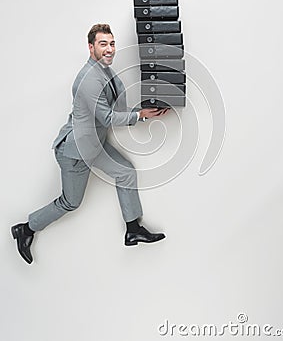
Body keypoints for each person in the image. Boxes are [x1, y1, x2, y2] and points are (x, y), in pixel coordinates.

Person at [11, 23, 169, 264]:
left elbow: (117, 108)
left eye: (112, 43)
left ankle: (133, 230)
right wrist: (141, 116)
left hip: (93, 144)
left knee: (125, 172)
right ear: (90, 47)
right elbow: (106, 117)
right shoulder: (89, 79)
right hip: (75, 151)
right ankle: (26, 228)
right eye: (103, 44)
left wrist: (146, 109)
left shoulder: (105, 70)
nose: (109, 49)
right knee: (70, 202)